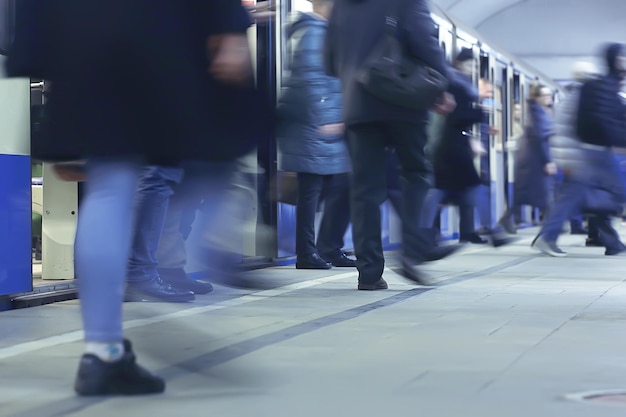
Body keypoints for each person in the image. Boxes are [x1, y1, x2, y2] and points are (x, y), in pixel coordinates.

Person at [8, 0, 268, 395]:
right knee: (220, 149)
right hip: (160, 33)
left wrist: (39, 49)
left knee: (110, 182)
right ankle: (206, 252)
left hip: (80, 38)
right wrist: (228, 24)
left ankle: (103, 352)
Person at [324, 0, 459, 290]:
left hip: (359, 105)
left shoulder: (340, 5)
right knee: (416, 173)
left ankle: (369, 273)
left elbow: (329, 61)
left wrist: (356, 73)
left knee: (364, 190)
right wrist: (443, 85)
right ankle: (411, 252)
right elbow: (425, 40)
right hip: (405, 102)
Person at [277, 0, 354, 270]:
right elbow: (310, 80)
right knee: (310, 192)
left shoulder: (317, 32)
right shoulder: (315, 33)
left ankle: (324, 248)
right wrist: (328, 119)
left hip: (319, 125)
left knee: (328, 189)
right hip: (316, 126)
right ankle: (307, 254)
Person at [533, 44, 626, 257]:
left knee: (580, 195)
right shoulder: (582, 96)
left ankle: (611, 242)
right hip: (581, 156)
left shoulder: (580, 95)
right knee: (609, 193)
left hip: (582, 154)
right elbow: (568, 131)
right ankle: (550, 234)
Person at [498, 83, 557, 233]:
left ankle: (507, 219)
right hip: (535, 162)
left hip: (530, 162)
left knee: (525, 196)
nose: (549, 98)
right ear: (537, 97)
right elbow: (541, 138)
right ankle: (551, 229)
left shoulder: (537, 112)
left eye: (550, 95)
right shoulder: (538, 114)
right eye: (545, 95)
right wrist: (547, 161)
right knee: (543, 197)